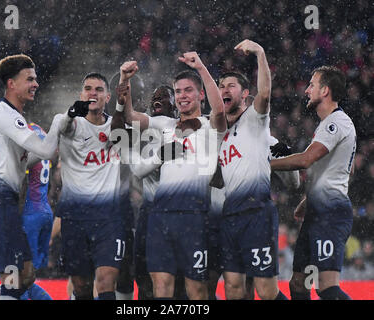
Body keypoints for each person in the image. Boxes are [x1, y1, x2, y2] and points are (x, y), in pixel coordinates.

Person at [120, 52, 226, 300]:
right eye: (178, 92)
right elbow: (129, 116)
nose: (182, 96)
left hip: (195, 219)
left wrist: (201, 67)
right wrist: (125, 79)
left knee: (196, 290)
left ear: (201, 95)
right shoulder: (166, 125)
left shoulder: (211, 128)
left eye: (188, 90)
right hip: (160, 218)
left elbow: (219, 109)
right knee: (161, 288)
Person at [0, 54, 62, 300]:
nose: (36, 84)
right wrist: (58, 122)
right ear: (11, 84)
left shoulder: (13, 117)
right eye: (29, 79)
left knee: (26, 275)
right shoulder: (6, 114)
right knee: (15, 276)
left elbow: (31, 159)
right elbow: (44, 151)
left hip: (2, 197)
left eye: (36, 78)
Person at [270, 66, 356, 300]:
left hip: (330, 213)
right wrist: (309, 199)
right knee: (299, 283)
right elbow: (341, 170)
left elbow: (307, 159)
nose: (307, 90)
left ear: (325, 90)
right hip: (318, 212)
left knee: (326, 286)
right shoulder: (330, 124)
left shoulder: (336, 123)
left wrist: (265, 164)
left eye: (312, 85)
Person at [216, 39, 288, 300]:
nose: (224, 89)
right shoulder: (219, 134)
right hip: (230, 216)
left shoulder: (255, 119)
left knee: (265, 291)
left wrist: (260, 51)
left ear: (244, 93)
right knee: (234, 289)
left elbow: (266, 93)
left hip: (257, 212)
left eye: (230, 86)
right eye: (221, 86)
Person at [53, 72, 124, 300]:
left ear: (107, 96)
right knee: (81, 287)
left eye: (99, 89)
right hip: (75, 219)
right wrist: (71, 112)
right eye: (88, 88)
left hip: (108, 219)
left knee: (105, 281)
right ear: (81, 94)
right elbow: (63, 126)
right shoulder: (71, 124)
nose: (93, 93)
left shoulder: (117, 127)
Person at [0, 122, 54, 300]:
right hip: (44, 210)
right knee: (26, 277)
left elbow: (19, 181)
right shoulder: (41, 132)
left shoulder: (25, 137)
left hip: (30, 215)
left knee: (18, 278)